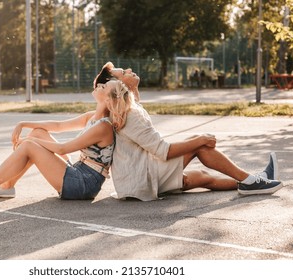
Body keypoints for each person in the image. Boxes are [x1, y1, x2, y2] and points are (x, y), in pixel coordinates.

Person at [93, 61, 283, 201]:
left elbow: (137, 110)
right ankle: (253, 181)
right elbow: (163, 151)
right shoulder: (128, 115)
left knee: (203, 177)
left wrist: (134, 89)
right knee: (198, 146)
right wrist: (200, 139)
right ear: (117, 87)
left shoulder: (126, 109)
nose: (129, 70)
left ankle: (256, 180)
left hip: (137, 179)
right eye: (123, 72)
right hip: (143, 179)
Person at [0, 80, 134, 202]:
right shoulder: (91, 117)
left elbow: (62, 148)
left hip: (84, 185)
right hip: (79, 172)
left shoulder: (104, 126)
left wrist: (28, 143)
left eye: (104, 87)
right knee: (38, 133)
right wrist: (23, 123)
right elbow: (58, 125)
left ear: (109, 99)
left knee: (31, 145)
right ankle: (6, 186)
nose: (99, 84)